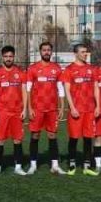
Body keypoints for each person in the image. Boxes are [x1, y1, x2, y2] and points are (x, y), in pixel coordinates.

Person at [25, 41, 65, 175]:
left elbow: (60, 88)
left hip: (52, 108)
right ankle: (33, 165)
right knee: (35, 135)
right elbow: (28, 89)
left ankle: (54, 165)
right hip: (37, 108)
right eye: (44, 50)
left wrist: (62, 106)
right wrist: (29, 108)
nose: (46, 52)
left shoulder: (57, 68)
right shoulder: (33, 68)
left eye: (48, 50)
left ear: (51, 52)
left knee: (52, 135)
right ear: (40, 52)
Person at [62, 42, 100, 176]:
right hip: (76, 110)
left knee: (88, 138)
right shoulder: (69, 70)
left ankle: (87, 166)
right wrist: (72, 108)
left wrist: (98, 106)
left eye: (86, 52)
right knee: (74, 138)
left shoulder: (92, 69)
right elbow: (66, 90)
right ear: (76, 53)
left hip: (89, 110)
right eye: (83, 52)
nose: (85, 54)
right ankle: (72, 165)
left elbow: (96, 87)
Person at [0, 45, 28, 176]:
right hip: (2, 112)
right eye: (6, 56)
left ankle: (18, 166)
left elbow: (24, 91)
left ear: (14, 57)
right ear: (2, 57)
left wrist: (25, 109)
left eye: (10, 56)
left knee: (18, 140)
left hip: (17, 111)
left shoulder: (21, 72)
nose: (8, 58)